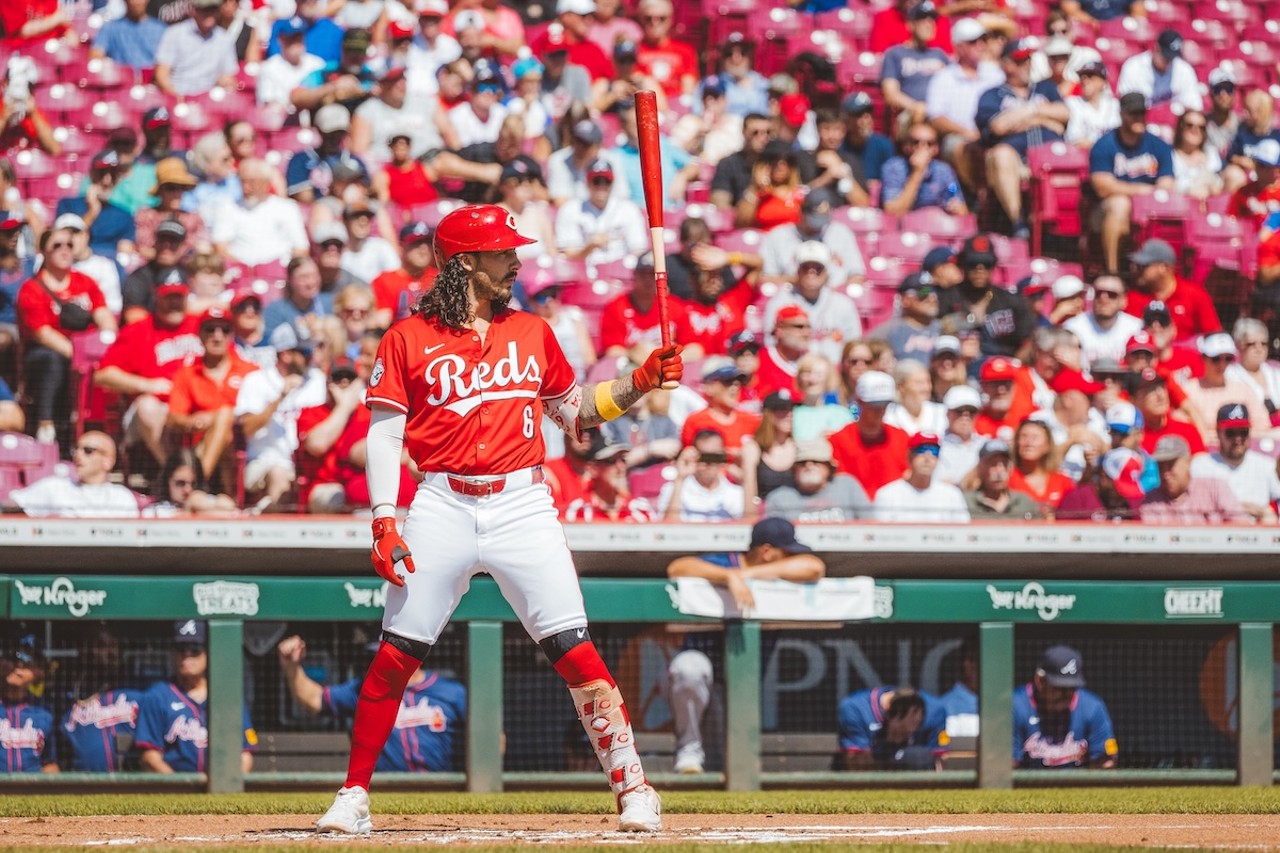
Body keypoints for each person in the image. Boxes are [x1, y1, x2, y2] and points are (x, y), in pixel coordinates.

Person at [315, 204, 677, 834]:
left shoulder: (533, 331)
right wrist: (382, 519)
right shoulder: (407, 338)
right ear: (465, 263)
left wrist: (640, 381)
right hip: (440, 502)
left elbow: (576, 413)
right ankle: (353, 794)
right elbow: (383, 434)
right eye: (503, 252)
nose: (515, 261)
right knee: (396, 654)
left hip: (521, 502)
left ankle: (634, 787)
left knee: (574, 649)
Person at [664, 517, 826, 774]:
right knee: (688, 667)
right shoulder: (725, 562)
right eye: (787, 552)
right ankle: (688, 748)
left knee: (733, 769)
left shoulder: (774, 572)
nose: (790, 559)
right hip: (702, 679)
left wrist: (744, 576)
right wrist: (728, 575)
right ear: (766, 551)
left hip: (742, 684)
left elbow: (814, 567)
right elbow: (678, 568)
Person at [277, 634, 466, 772]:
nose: (383, 661)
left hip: (444, 784)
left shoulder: (452, 692)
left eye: (391, 654)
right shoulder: (363, 689)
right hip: (386, 789)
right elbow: (314, 699)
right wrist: (291, 666)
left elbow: (488, 736)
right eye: (379, 655)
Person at [17, 226, 118, 445]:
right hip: (46, 355)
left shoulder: (85, 282)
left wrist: (108, 342)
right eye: (57, 245)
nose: (65, 250)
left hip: (84, 351)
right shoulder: (31, 288)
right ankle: (46, 425)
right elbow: (43, 334)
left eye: (69, 245)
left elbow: (103, 314)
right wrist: (80, 356)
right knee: (53, 360)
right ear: (43, 250)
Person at [93, 279, 202, 467]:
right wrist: (147, 385)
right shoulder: (139, 330)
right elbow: (103, 375)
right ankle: (174, 472)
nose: (174, 304)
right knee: (147, 406)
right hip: (155, 410)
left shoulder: (202, 326)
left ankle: (200, 475)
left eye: (179, 297)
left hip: (194, 405)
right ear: (157, 298)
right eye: (169, 298)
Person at [135, 620, 256, 774]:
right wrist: (181, 791)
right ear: (172, 653)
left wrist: (228, 790)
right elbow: (150, 758)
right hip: (174, 790)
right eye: (181, 648)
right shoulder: (157, 696)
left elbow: (244, 755)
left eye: (195, 648)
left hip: (221, 788)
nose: (187, 655)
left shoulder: (227, 697)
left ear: (208, 652)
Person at [976, 38, 1068, 239]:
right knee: (1001, 155)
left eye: (1028, 59)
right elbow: (998, 126)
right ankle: (1018, 223)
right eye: (1019, 61)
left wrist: (1024, 113)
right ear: (1005, 64)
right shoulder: (993, 95)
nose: (1026, 64)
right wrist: (1040, 116)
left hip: (1049, 161)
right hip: (1016, 163)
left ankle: (1064, 230)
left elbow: (1063, 114)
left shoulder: (1046, 88)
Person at [234, 322, 328, 511]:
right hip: (263, 463)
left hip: (306, 464)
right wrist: (280, 398)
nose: (310, 358)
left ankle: (262, 512)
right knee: (280, 474)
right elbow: (246, 429)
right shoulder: (256, 380)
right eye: (305, 353)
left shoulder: (316, 378)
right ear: (285, 354)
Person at [167, 306, 260, 491]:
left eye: (224, 330)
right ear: (200, 335)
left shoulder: (251, 372)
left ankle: (196, 487)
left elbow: (257, 414)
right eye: (210, 329)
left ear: (232, 335)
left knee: (225, 415)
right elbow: (174, 418)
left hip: (243, 445)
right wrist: (194, 422)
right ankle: (209, 490)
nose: (217, 336)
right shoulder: (188, 374)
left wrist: (218, 418)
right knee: (223, 421)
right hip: (202, 443)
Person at [1088, 93, 1176, 274]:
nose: (1138, 118)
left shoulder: (1158, 145)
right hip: (1103, 212)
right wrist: (1143, 191)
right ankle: (1113, 272)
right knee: (1120, 204)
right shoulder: (1105, 145)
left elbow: (1166, 186)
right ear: (1122, 114)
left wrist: (1145, 197)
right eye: (1133, 113)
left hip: (1146, 211)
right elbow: (1102, 187)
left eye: (1141, 113)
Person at [925, 19, 1005, 192]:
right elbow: (936, 118)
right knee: (959, 147)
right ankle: (976, 194)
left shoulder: (995, 73)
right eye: (973, 42)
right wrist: (967, 132)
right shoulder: (943, 78)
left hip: (994, 133)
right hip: (961, 135)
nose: (980, 45)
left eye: (982, 40)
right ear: (959, 47)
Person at [1014, 645, 1117, 769]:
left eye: (1072, 688)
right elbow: (1004, 765)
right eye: (1060, 688)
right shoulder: (1015, 706)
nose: (1067, 695)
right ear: (1040, 682)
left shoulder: (1092, 707)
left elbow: (1106, 761)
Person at [937, 235, 1036, 361]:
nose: (980, 269)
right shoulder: (946, 298)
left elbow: (1029, 340)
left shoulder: (1010, 302)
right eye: (973, 263)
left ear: (993, 266)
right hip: (960, 367)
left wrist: (1015, 365)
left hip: (1003, 368)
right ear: (963, 265)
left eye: (986, 263)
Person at [762, 242, 863, 365]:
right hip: (792, 369)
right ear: (797, 270)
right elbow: (770, 344)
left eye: (818, 267)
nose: (811, 272)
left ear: (827, 272)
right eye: (805, 267)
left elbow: (854, 345)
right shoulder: (779, 303)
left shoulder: (844, 304)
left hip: (834, 370)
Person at [759, 188, 866, 290]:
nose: (817, 226)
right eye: (813, 220)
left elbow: (857, 275)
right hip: (791, 298)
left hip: (834, 299)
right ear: (801, 212)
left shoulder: (841, 232)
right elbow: (765, 279)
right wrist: (802, 282)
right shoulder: (778, 236)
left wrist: (832, 295)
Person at [212, 159, 310, 268]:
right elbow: (220, 247)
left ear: (266, 183)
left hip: (279, 272)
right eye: (242, 181)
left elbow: (301, 248)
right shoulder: (228, 208)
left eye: (252, 182)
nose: (246, 187)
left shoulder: (286, 208)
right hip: (240, 273)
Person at [1191, 404, 1280, 524]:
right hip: (1214, 534)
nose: (1238, 439)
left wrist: (1266, 512)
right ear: (1218, 432)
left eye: (1243, 432)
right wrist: (1237, 510)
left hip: (1256, 535)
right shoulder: (1200, 466)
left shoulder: (1266, 465)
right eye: (1231, 433)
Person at [829, 371, 911, 498]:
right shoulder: (839, 440)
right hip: (854, 511)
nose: (880, 410)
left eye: (885, 404)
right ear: (859, 402)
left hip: (893, 510)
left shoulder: (901, 438)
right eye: (874, 405)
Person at [1181, 334, 1271, 448]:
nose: (1222, 364)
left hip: (1240, 451)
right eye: (1216, 359)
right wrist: (1200, 435)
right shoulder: (1189, 389)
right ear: (1203, 358)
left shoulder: (1242, 389)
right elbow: (1180, 425)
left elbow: (1262, 425)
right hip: (1202, 451)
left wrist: (1232, 437)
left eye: (1228, 358)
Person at [554, 158, 648, 267]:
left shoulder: (629, 209)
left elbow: (638, 251)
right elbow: (568, 256)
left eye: (606, 181)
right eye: (596, 181)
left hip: (620, 273)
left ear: (613, 183)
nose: (601, 186)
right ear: (587, 182)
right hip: (583, 274)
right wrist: (591, 247)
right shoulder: (571, 209)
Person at [1124, 239, 1222, 342]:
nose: (1136, 270)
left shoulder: (1194, 294)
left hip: (1187, 355)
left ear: (1164, 268)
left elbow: (1213, 336)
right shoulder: (1133, 297)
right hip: (1145, 355)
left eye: (1143, 266)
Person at [1139, 435, 1250, 525]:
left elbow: (1241, 526)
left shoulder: (1215, 488)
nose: (1165, 473)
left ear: (1188, 462)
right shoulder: (1150, 501)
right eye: (1161, 466)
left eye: (1170, 465)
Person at [836, 686, 949, 771]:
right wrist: (892, 739)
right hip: (873, 785)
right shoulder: (855, 708)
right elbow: (855, 764)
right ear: (888, 712)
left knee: (917, 756)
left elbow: (938, 762)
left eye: (917, 714)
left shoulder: (935, 711)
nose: (914, 720)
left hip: (919, 778)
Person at [760, 439, 871, 522]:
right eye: (803, 463)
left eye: (816, 461)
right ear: (794, 469)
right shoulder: (779, 498)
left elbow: (870, 523)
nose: (809, 466)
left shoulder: (847, 486)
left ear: (829, 467)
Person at [880, 1, 950, 133]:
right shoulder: (895, 54)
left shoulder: (940, 55)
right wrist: (917, 107)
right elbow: (891, 94)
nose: (929, 24)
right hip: (910, 114)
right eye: (923, 19)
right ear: (910, 24)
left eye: (932, 20)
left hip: (939, 115)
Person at [873, 432, 970, 522]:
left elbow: (964, 533)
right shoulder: (888, 495)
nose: (927, 457)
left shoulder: (952, 495)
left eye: (934, 451)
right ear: (910, 456)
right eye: (921, 450)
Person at [880, 122, 967, 218]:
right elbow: (892, 214)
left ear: (936, 149)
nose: (922, 147)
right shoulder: (893, 168)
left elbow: (961, 207)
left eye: (929, 143)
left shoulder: (944, 170)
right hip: (904, 228)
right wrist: (917, 172)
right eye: (916, 142)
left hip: (935, 226)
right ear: (906, 146)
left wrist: (955, 207)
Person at [153, 0, 238, 97]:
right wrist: (177, 97)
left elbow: (228, 75)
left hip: (209, 98)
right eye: (205, 9)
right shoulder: (174, 34)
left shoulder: (224, 38)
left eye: (213, 9)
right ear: (193, 10)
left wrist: (227, 83)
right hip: (178, 94)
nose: (209, 14)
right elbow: (162, 74)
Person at [659, 428, 746, 522]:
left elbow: (749, 528)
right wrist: (680, 478)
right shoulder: (673, 489)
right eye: (703, 457)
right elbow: (668, 530)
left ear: (722, 458)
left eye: (714, 457)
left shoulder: (736, 493)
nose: (708, 463)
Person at [0, 635, 56, 772]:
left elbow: (49, 764)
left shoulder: (44, 713)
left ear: (38, 672)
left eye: (27, 661)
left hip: (32, 790)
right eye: (12, 658)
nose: (18, 666)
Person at [1062, 275, 1141, 371]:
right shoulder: (1073, 328)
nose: (1104, 299)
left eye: (1111, 294)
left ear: (1123, 301)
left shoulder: (1137, 329)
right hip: (1084, 384)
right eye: (1098, 293)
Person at [1116, 30, 1203, 115]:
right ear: (1156, 47)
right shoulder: (1134, 67)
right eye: (1166, 57)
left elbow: (1195, 108)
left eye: (1172, 58)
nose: (1168, 61)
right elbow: (1127, 107)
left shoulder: (1184, 69)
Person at [1056, 446, 1145, 521]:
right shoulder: (1077, 499)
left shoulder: (1133, 502)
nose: (1122, 495)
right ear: (1104, 476)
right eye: (1119, 488)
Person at [964, 438, 1042, 519]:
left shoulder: (1023, 502)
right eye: (993, 464)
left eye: (1004, 464)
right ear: (981, 469)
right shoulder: (967, 502)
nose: (999, 471)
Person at [90, 0, 167, 73]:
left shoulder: (160, 29)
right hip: (121, 81)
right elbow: (96, 56)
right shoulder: (111, 28)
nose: (137, 2)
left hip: (152, 81)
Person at [1228, 319, 1280, 423]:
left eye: (1264, 343)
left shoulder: (1275, 372)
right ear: (1238, 346)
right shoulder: (1230, 375)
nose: (1259, 349)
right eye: (1252, 344)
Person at [885, 358, 947, 437]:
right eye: (919, 383)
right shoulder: (888, 416)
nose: (926, 388)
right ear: (901, 387)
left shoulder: (941, 413)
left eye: (928, 382)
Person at [1064, 62, 1119, 150]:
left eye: (1090, 76)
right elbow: (1076, 142)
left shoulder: (1115, 105)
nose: (1085, 80)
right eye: (1082, 76)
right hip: (1082, 157)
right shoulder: (1071, 103)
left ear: (1103, 82)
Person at [1171, 110, 1224, 200]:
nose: (1195, 130)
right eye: (1189, 125)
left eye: (1201, 127)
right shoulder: (1170, 156)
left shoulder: (1212, 154)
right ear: (1181, 126)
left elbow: (1219, 187)